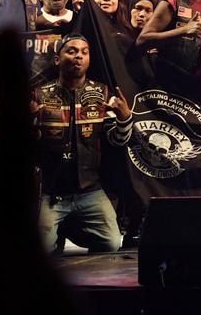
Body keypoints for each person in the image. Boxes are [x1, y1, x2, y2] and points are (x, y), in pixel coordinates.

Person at [34, 34, 132, 254]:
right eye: (71, 51)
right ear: (57, 59)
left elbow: (118, 140)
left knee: (111, 243)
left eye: (84, 52)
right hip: (50, 191)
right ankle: (56, 229)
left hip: (89, 189)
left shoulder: (102, 94)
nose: (78, 55)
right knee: (42, 251)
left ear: (88, 61)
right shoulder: (39, 95)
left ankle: (65, 226)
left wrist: (125, 119)